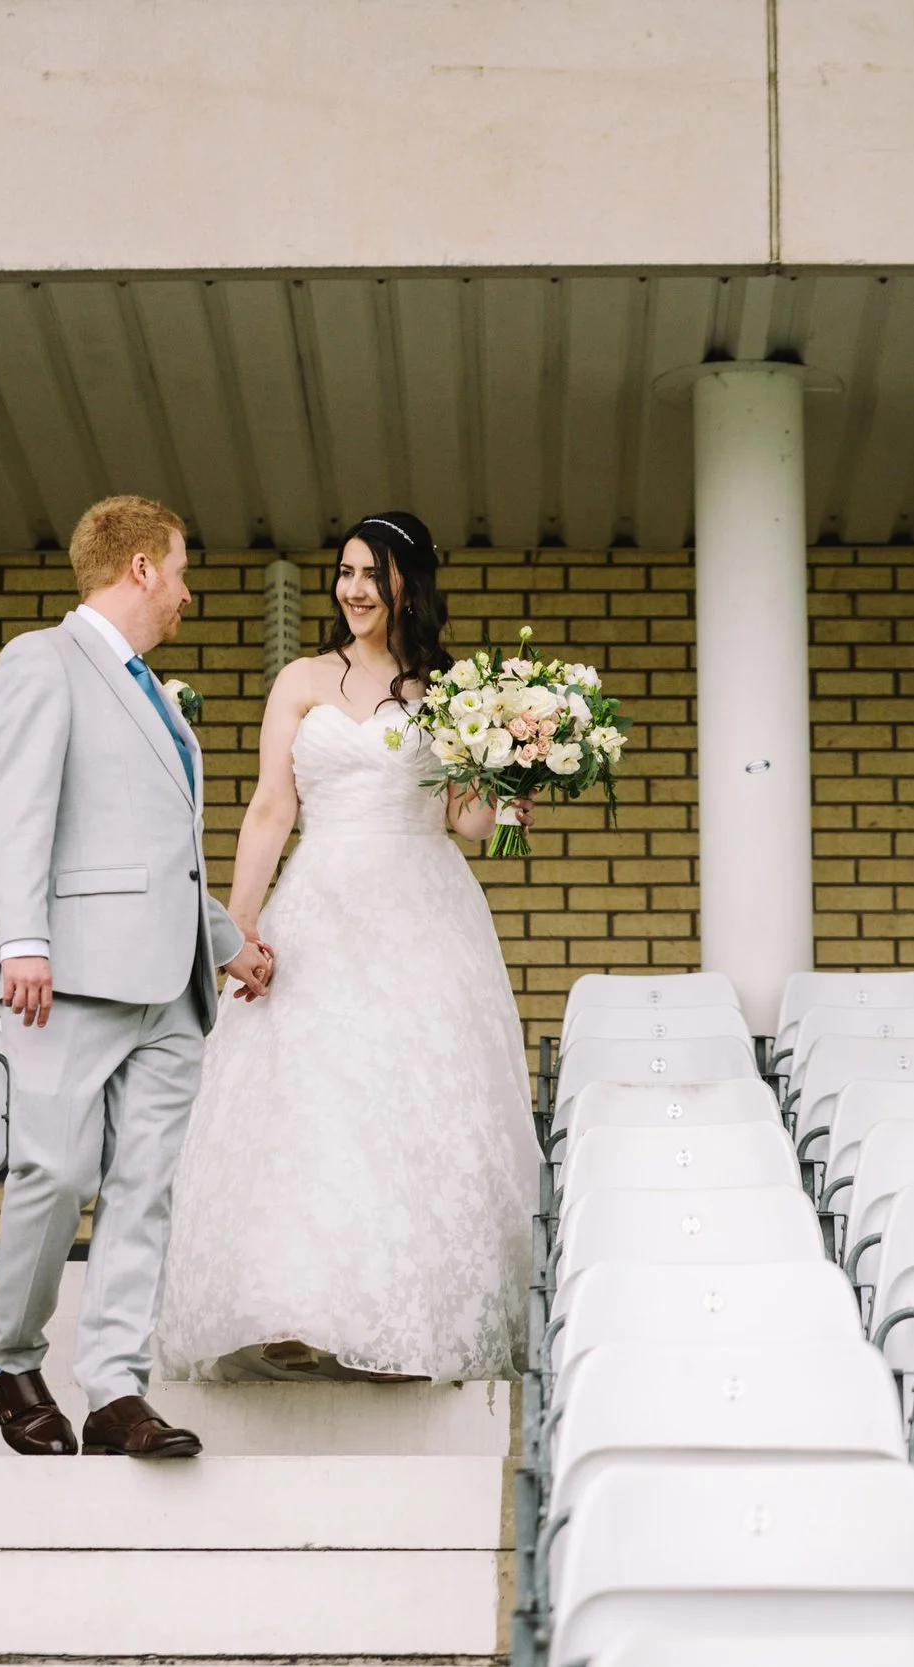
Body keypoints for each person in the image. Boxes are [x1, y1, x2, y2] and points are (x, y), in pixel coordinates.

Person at [155, 510, 539, 1383]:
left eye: (372, 572)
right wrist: (238, 923)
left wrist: (511, 783)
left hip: (422, 912)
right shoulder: (299, 680)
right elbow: (270, 808)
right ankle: (294, 1309)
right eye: (345, 571)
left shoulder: (451, 691)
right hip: (320, 905)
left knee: (410, 1103)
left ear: (408, 582)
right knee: (312, 1097)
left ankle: (404, 1323)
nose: (353, 589)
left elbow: (468, 822)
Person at [0, 493, 277, 1458]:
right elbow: (17, 807)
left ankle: (115, 1388)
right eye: (181, 572)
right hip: (68, 972)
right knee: (57, 1170)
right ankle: (13, 1354)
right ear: (141, 566)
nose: (188, 594)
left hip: (174, 988)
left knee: (145, 1188)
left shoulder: (160, 698)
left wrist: (226, 940)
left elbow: (166, 854)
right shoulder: (42, 660)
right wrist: (22, 939)